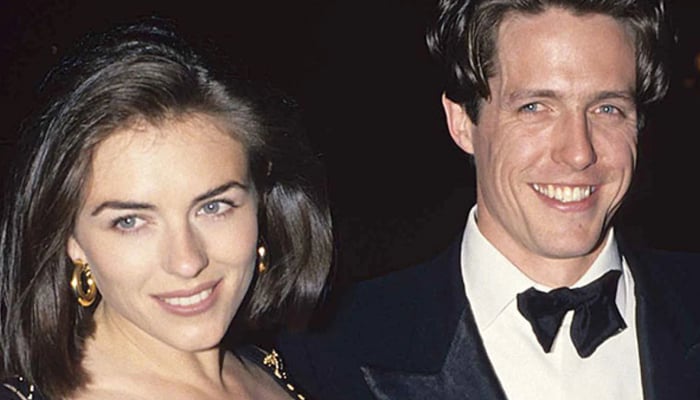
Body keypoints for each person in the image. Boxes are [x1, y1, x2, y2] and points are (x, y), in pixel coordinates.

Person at [278, 0, 700, 399]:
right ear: (462, 122)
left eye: (607, 109)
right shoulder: (330, 354)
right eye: (535, 107)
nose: (578, 152)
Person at [0, 20, 332, 400]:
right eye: (130, 221)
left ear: (261, 199)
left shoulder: (266, 366)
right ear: (71, 239)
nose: (187, 262)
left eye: (214, 207)